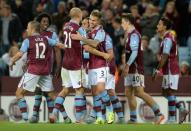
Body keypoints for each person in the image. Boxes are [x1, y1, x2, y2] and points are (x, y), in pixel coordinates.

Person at [10, 21, 64, 122]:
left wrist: (12, 60)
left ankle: (25, 119)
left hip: (33, 71)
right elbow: (60, 45)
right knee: (52, 96)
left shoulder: (28, 40)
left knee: (19, 93)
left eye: (27, 28)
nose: (26, 30)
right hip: (45, 72)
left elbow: (20, 54)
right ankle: (65, 116)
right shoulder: (47, 39)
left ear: (32, 29)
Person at [71, 10, 115, 124]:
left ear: (99, 21)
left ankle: (110, 111)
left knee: (101, 89)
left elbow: (94, 44)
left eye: (94, 20)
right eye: (90, 19)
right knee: (95, 92)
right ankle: (100, 117)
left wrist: (81, 38)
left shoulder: (101, 32)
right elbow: (87, 49)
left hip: (101, 65)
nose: (91, 22)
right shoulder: (88, 33)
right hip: (91, 66)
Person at [121, 13, 164, 124]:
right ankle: (133, 118)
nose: (121, 24)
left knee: (139, 92)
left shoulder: (134, 35)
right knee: (128, 92)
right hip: (131, 69)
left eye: (122, 22)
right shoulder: (129, 34)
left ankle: (159, 113)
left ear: (127, 22)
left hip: (135, 69)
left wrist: (127, 66)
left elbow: (135, 53)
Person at [29, 13, 71, 123]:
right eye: (43, 21)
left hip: (48, 67)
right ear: (39, 23)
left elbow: (57, 50)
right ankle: (54, 116)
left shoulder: (52, 35)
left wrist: (58, 65)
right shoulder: (33, 35)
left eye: (47, 22)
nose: (46, 23)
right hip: (36, 67)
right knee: (45, 91)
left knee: (44, 91)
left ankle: (36, 115)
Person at [49, 7, 88, 124]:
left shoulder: (65, 26)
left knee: (65, 89)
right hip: (76, 62)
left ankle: (54, 112)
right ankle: (79, 119)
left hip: (65, 62)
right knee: (79, 90)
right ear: (79, 16)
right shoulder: (80, 29)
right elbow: (85, 45)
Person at [153, 17, 189, 124]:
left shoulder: (168, 39)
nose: (157, 26)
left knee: (170, 91)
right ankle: (182, 110)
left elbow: (165, 56)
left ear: (164, 27)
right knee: (165, 92)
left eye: (159, 24)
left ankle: (172, 119)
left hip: (170, 69)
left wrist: (157, 70)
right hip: (169, 69)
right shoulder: (166, 38)